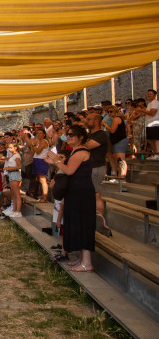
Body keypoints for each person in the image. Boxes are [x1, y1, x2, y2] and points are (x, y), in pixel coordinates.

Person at [46, 125, 96, 272]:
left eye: (72, 134)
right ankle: (82, 259)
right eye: (67, 134)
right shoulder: (76, 151)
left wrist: (56, 160)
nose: (68, 136)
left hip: (82, 193)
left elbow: (69, 170)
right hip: (76, 192)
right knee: (77, 224)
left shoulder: (81, 152)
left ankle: (87, 263)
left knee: (83, 225)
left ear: (81, 137)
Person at [84, 112, 109, 219]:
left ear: (97, 121)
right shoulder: (90, 135)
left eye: (89, 119)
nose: (86, 121)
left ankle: (99, 219)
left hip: (97, 167)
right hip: (90, 167)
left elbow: (87, 146)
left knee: (96, 194)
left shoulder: (101, 135)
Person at [104, 105, 128, 178]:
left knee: (121, 160)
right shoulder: (116, 118)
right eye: (108, 112)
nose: (109, 113)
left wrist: (105, 125)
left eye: (111, 111)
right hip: (117, 142)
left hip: (120, 141)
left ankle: (122, 177)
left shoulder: (116, 118)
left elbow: (112, 130)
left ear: (115, 111)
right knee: (118, 160)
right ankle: (120, 176)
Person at [3, 143, 22, 217]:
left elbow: (19, 166)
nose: (9, 149)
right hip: (11, 174)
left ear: (15, 148)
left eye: (11, 148)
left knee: (17, 194)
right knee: (13, 194)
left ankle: (18, 211)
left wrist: (9, 168)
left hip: (15, 174)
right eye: (9, 148)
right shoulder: (13, 155)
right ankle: (14, 210)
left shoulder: (17, 156)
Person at [145, 89, 159, 159]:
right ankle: (154, 154)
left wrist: (142, 110)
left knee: (156, 139)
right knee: (151, 140)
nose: (149, 95)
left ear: (154, 95)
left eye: (151, 94)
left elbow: (152, 113)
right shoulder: (149, 103)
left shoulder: (155, 102)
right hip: (149, 124)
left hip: (155, 124)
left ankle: (157, 154)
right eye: (148, 94)